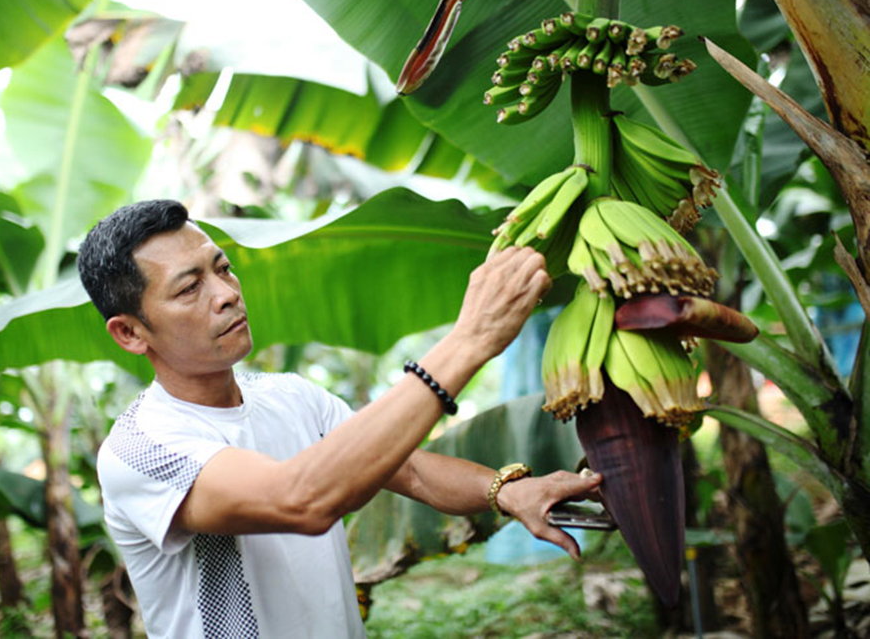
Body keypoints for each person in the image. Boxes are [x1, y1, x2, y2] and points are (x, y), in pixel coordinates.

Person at [78, 199, 603, 638]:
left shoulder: (290, 395)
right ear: (130, 332)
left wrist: (508, 491)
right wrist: (468, 341)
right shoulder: (141, 450)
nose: (227, 294)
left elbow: (409, 469)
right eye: (189, 288)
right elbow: (301, 498)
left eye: (222, 268)